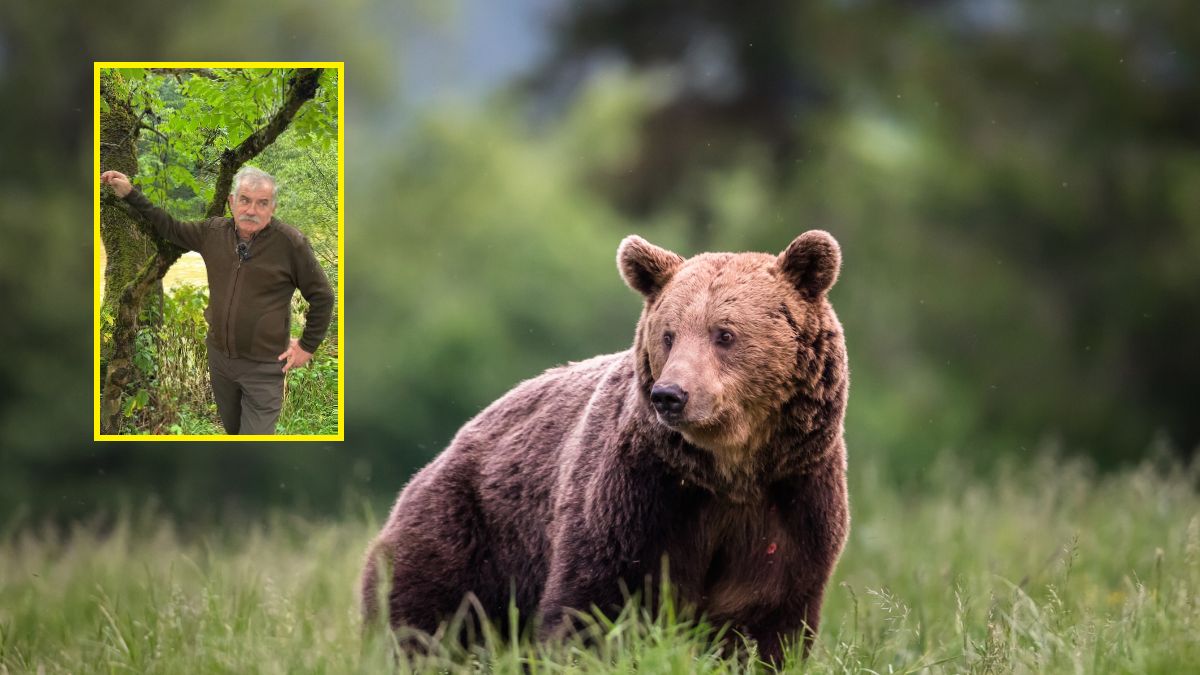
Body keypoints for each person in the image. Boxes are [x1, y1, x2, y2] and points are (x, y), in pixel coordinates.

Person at [100, 166, 334, 435]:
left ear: (273, 207)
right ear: (231, 202)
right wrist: (130, 194)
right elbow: (170, 227)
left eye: (262, 203)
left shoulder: (290, 243)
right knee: (233, 433)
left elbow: (323, 297)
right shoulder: (213, 232)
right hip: (220, 361)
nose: (252, 210)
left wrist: (307, 346)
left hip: (264, 367)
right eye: (245, 200)